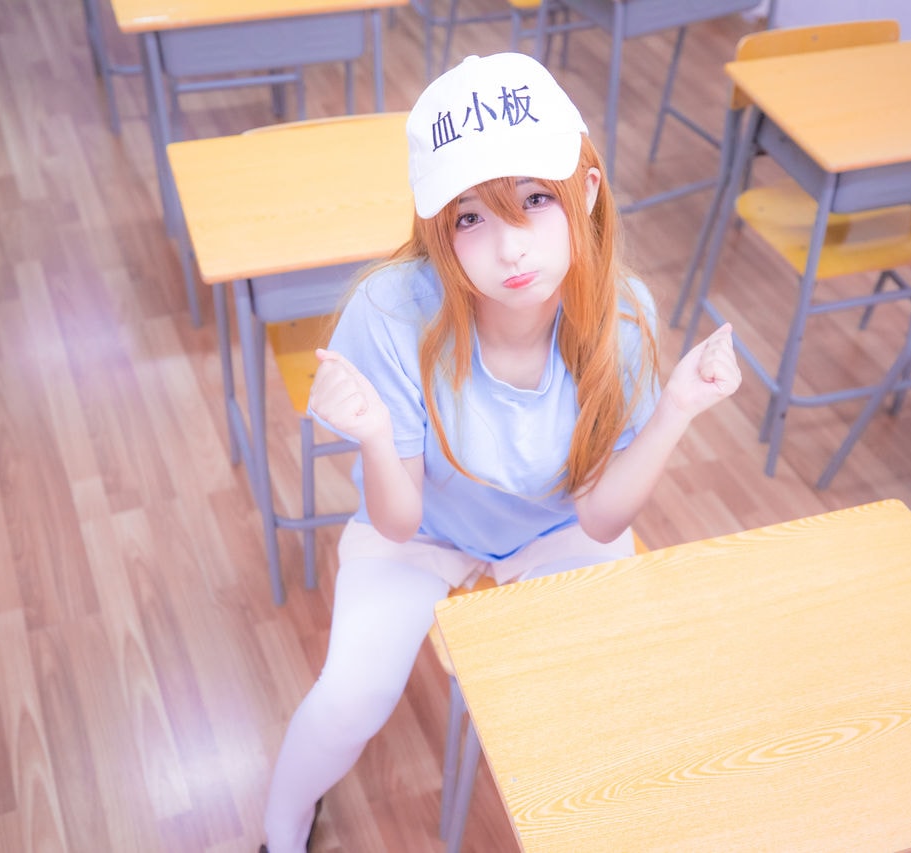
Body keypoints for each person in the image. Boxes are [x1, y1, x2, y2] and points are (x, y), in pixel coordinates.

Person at [260, 52, 740, 853]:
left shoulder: (621, 317)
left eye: (535, 199)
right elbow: (397, 518)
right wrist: (374, 434)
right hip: (422, 530)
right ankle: (281, 827)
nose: (511, 247)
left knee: (613, 700)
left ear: (587, 190)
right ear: (437, 232)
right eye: (470, 218)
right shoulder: (393, 310)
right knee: (350, 697)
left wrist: (677, 407)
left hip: (556, 528)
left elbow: (598, 517)